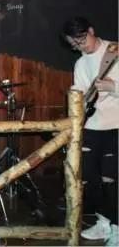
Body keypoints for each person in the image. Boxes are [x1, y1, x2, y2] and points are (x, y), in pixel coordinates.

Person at [62, 17, 118, 245]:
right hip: (92, 125)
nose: (80, 47)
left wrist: (114, 87)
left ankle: (116, 228)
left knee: (111, 179)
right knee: (88, 178)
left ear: (91, 30)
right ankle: (104, 222)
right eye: (74, 45)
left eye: (81, 40)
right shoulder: (80, 64)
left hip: (116, 125)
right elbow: (81, 96)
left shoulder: (115, 51)